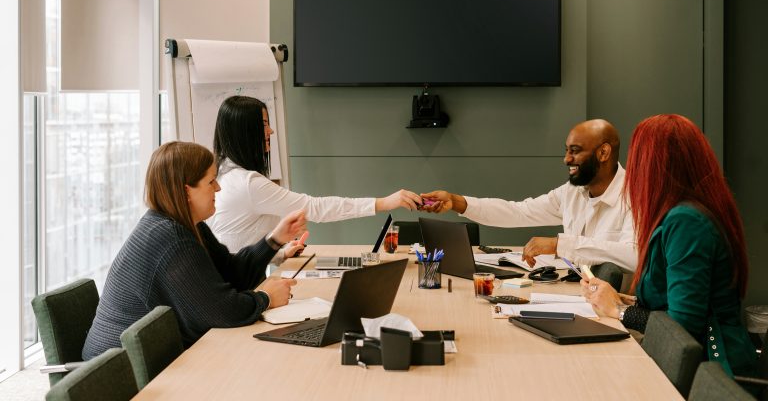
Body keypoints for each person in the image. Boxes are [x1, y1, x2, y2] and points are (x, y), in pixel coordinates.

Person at [82, 141, 306, 359]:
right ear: (186, 190)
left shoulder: (187, 225)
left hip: (142, 359)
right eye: (211, 182)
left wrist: (275, 239)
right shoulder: (171, 239)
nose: (218, 188)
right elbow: (220, 312)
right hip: (119, 374)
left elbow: (230, 273)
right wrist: (266, 298)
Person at [581, 114, 756, 377]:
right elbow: (672, 302)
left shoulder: (686, 221)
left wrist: (618, 310)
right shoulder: (687, 212)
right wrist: (626, 301)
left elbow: (682, 326)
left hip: (707, 369)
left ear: (652, 166)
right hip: (694, 362)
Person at [208, 95, 423, 261]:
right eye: (264, 124)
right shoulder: (247, 184)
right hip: (241, 292)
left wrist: (279, 254)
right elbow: (315, 208)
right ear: (247, 133)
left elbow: (237, 247)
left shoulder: (228, 174)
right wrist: (384, 203)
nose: (271, 131)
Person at [420, 119, 636, 271]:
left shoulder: (635, 196)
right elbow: (519, 212)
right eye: (566, 150)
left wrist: (559, 245)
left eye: (575, 150)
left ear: (603, 153)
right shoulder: (571, 193)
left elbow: (634, 257)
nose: (566, 159)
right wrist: (458, 202)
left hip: (615, 314)